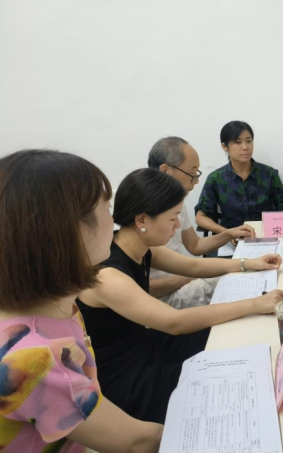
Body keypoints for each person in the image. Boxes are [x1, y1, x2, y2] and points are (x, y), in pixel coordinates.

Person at [77, 168, 283, 424]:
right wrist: (255, 303)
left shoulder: (138, 246)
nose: (177, 226)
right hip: (129, 376)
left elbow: (195, 266)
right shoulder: (108, 276)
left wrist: (249, 263)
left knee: (229, 339)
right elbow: (174, 322)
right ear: (142, 220)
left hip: (149, 344)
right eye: (173, 218)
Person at [0, 150, 162, 453]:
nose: (114, 221)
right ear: (69, 229)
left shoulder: (57, 303)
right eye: (107, 209)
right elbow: (136, 442)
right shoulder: (34, 358)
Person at [147, 136, 256, 308]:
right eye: (192, 174)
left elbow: (195, 246)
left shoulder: (175, 200)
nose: (196, 181)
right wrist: (191, 275)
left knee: (242, 277)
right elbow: (144, 289)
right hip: (163, 295)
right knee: (239, 284)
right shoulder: (142, 211)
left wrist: (228, 234)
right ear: (165, 170)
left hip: (182, 278)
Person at [195, 121, 283, 233]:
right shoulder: (216, 178)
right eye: (238, 142)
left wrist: (276, 226)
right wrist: (226, 233)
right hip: (230, 236)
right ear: (225, 146)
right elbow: (201, 217)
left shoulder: (268, 174)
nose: (245, 147)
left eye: (249, 141)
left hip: (264, 234)